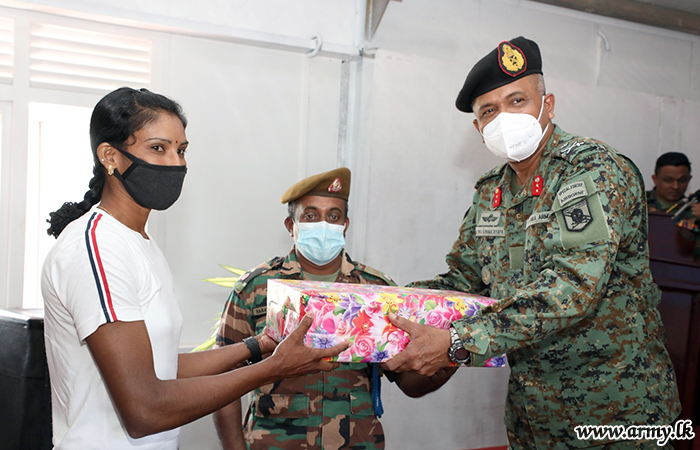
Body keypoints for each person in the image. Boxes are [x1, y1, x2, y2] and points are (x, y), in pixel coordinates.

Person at [382, 37, 681, 448]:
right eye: (490, 110)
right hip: (534, 413)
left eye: (517, 100)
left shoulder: (589, 169)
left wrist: (456, 342)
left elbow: (572, 288)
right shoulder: (491, 191)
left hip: (617, 409)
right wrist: (385, 310)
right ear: (479, 128)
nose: (504, 117)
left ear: (548, 105)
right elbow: (466, 282)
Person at [41, 87, 349, 450]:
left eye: (181, 150)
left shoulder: (139, 243)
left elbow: (163, 368)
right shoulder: (97, 248)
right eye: (158, 148)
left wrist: (259, 345)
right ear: (110, 156)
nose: (176, 163)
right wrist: (274, 368)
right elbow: (144, 410)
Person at [214, 167, 453, 450]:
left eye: (333, 216)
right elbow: (222, 377)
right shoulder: (256, 288)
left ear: (345, 225)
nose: (323, 225)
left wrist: (452, 351)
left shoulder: (377, 290)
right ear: (291, 225)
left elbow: (407, 380)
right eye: (311, 216)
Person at [647, 152, 700, 259]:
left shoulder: (694, 211)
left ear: (689, 179)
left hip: (681, 268)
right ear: (655, 179)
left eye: (682, 180)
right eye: (668, 180)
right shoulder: (636, 203)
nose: (675, 186)